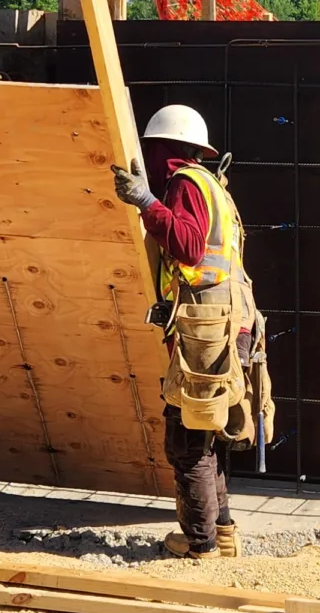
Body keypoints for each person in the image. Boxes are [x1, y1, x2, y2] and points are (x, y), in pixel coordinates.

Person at [112, 105, 272, 559]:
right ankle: (222, 533)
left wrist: (146, 202)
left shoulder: (186, 183)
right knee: (210, 431)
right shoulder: (216, 187)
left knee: (187, 439)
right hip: (233, 323)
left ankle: (198, 542)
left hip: (208, 329)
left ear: (166, 150)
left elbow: (186, 244)